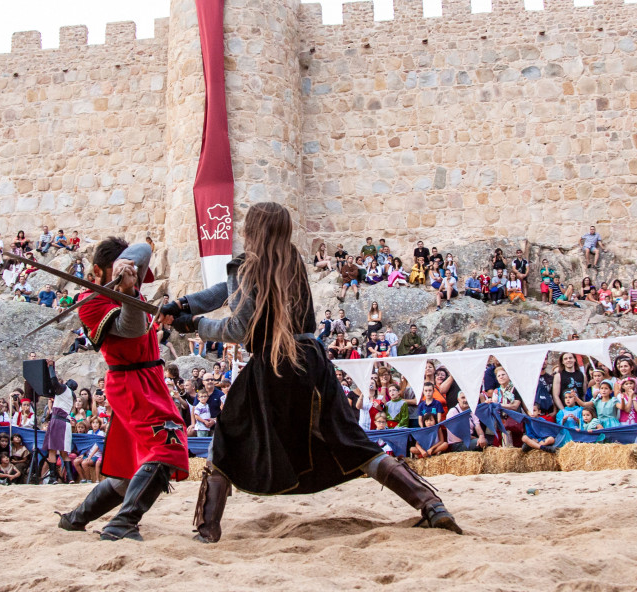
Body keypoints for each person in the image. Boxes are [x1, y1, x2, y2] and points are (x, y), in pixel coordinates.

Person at [160, 202, 461, 544]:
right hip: (311, 361)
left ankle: (207, 529)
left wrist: (197, 325)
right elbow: (225, 292)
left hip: (272, 365)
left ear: (254, 229)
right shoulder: (291, 262)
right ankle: (432, 505)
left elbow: (238, 328)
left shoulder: (249, 266)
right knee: (353, 443)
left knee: (225, 442)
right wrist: (182, 305)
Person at [55, 240, 188, 542]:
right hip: (132, 384)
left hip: (148, 378)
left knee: (130, 471)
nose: (136, 280)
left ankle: (76, 519)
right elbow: (131, 329)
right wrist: (126, 294)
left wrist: (129, 277)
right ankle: (122, 524)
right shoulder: (91, 301)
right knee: (168, 446)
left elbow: (143, 252)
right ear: (100, 271)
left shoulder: (129, 281)